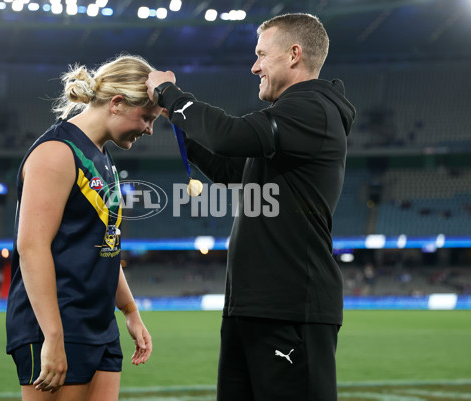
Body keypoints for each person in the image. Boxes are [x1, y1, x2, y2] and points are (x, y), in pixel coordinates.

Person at [146, 13, 356, 401]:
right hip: (253, 305)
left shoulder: (313, 109)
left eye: (261, 54)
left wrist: (171, 97)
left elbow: (228, 136)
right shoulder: (293, 116)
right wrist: (176, 122)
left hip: (291, 307)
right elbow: (230, 169)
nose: (254, 65)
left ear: (294, 55)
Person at [6, 54, 161, 400]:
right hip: (58, 324)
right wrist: (53, 336)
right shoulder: (57, 152)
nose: (149, 129)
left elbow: (105, 243)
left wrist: (130, 311)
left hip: (98, 324)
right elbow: (31, 246)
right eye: (147, 118)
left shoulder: (101, 156)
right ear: (118, 103)